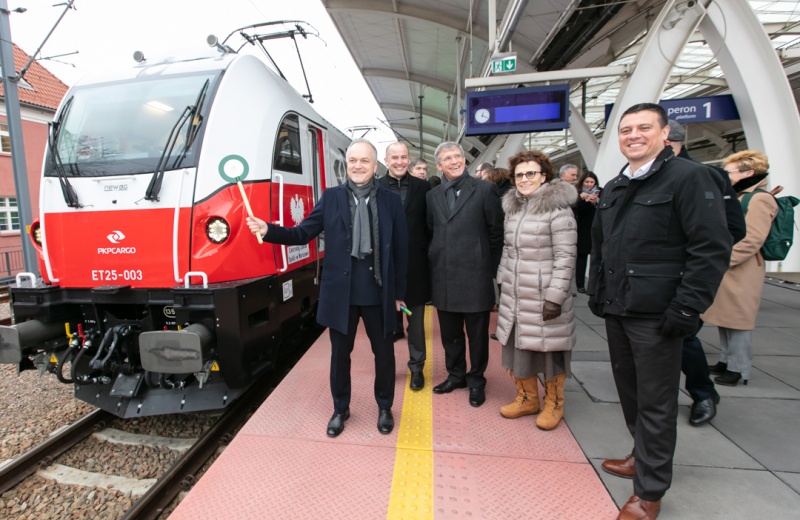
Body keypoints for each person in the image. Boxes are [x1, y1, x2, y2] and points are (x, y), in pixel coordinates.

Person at [587, 103, 732, 520]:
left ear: (664, 133)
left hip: (658, 314)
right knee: (631, 393)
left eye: (644, 127)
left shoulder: (689, 178)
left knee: (657, 401)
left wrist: (687, 308)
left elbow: (711, 249)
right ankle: (641, 455)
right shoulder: (616, 185)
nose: (633, 135)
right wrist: (598, 292)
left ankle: (649, 492)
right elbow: (603, 246)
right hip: (619, 308)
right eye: (626, 129)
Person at [246, 138, 408, 438]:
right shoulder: (331, 197)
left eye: (364, 161)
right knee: (339, 356)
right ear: (346, 165)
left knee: (384, 354)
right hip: (341, 294)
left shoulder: (390, 201)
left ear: (375, 166)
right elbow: (302, 232)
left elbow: (400, 249)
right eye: (352, 161)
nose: (357, 166)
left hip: (378, 291)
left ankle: (385, 407)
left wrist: (399, 294)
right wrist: (268, 230)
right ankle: (340, 408)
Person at [665, 119, 747, 426]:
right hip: (647, 279)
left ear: (668, 140)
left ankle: (703, 393)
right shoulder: (640, 177)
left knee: (683, 336)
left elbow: (733, 230)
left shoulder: (705, 175)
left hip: (686, 277)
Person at [494, 150, 577, 431]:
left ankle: (554, 404)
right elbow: (508, 250)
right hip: (516, 294)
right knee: (518, 345)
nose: (524, 179)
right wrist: (502, 280)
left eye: (531, 173)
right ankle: (528, 398)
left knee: (550, 351)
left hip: (543, 295)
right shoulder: (514, 209)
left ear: (544, 176)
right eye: (519, 175)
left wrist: (555, 297)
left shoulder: (558, 210)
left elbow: (566, 257)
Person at [427, 142, 504, 407]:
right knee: (450, 334)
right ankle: (456, 375)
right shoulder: (432, 196)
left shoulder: (485, 190)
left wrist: (487, 268)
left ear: (464, 159)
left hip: (475, 277)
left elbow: (496, 233)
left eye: (457, 156)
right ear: (439, 165)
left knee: (478, 335)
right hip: (444, 277)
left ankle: (477, 380)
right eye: (447, 158)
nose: (454, 161)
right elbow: (431, 231)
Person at [702, 150, 778, 387]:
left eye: (730, 172)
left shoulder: (759, 198)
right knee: (726, 317)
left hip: (742, 268)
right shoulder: (741, 196)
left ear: (748, 173)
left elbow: (753, 238)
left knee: (739, 320)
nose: (726, 175)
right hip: (730, 266)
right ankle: (726, 360)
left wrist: (722, 257)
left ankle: (740, 368)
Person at [379, 142, 432, 390]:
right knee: (384, 323)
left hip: (415, 267)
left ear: (408, 159)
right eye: (394, 157)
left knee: (417, 323)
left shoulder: (423, 188)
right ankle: (386, 368)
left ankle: (417, 368)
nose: (399, 162)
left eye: (404, 157)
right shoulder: (376, 187)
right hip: (382, 268)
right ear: (386, 160)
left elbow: (430, 225)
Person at [573, 171, 600, 293]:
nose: (589, 184)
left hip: (598, 228)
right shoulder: (577, 193)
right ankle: (580, 284)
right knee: (582, 257)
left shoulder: (601, 192)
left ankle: (596, 283)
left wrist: (596, 202)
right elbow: (576, 210)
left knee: (597, 257)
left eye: (592, 182)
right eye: (587, 182)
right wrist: (585, 201)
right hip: (583, 229)